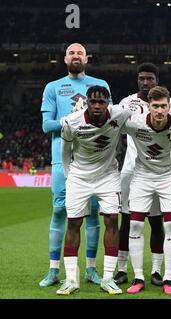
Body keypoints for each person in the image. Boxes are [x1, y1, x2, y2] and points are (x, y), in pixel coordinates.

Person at [39, 43, 110, 287]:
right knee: (59, 210)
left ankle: (91, 269)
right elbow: (47, 125)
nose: (76, 56)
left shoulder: (100, 85)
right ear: (65, 58)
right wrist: (74, 120)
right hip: (62, 159)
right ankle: (53, 269)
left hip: (91, 158)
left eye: (80, 53)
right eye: (72, 53)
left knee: (91, 214)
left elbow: (107, 121)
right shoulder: (53, 87)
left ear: (87, 58)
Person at [56, 85, 131, 295]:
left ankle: (108, 278)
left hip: (108, 176)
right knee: (73, 222)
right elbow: (65, 150)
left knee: (111, 221)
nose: (97, 106)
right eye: (93, 102)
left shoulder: (120, 113)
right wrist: (69, 174)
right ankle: (71, 279)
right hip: (79, 176)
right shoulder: (73, 121)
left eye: (101, 102)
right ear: (87, 102)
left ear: (109, 102)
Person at [122, 86, 171, 295]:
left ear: (170, 106)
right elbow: (111, 122)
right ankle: (138, 277)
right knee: (134, 225)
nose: (159, 111)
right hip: (142, 175)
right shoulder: (136, 123)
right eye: (155, 106)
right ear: (148, 107)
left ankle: (168, 277)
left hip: (170, 176)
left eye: (163, 106)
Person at [113, 63, 171, 287]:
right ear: (137, 80)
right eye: (142, 78)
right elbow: (115, 131)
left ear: (156, 81)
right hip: (131, 169)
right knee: (128, 220)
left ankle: (156, 271)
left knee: (157, 222)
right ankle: (121, 269)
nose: (145, 82)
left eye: (150, 78)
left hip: (160, 172)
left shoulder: (170, 104)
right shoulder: (126, 103)